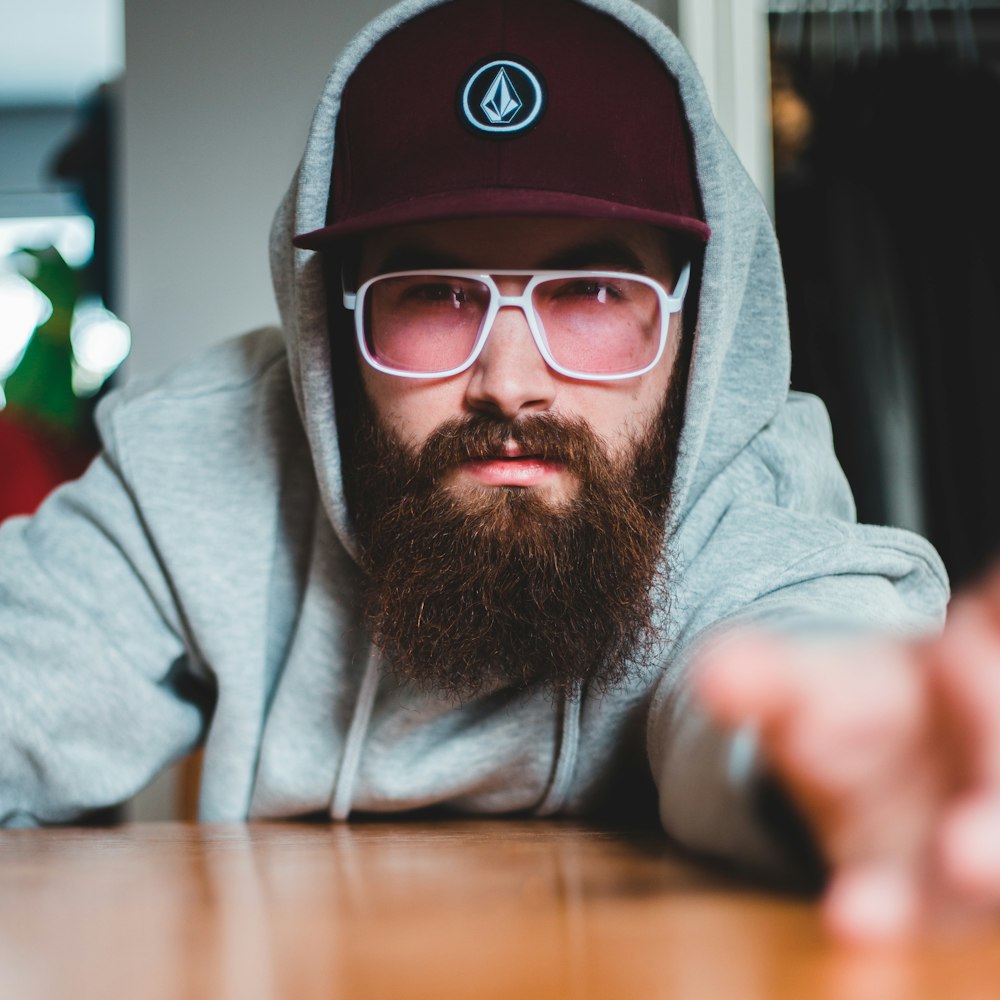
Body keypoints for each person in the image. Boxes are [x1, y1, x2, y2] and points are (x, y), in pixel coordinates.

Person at [1, 0, 997, 942]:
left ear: (694, 321)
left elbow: (794, 661)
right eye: (432, 291)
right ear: (333, 323)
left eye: (592, 291)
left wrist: (830, 770)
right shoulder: (203, 453)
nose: (509, 383)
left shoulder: (746, 495)